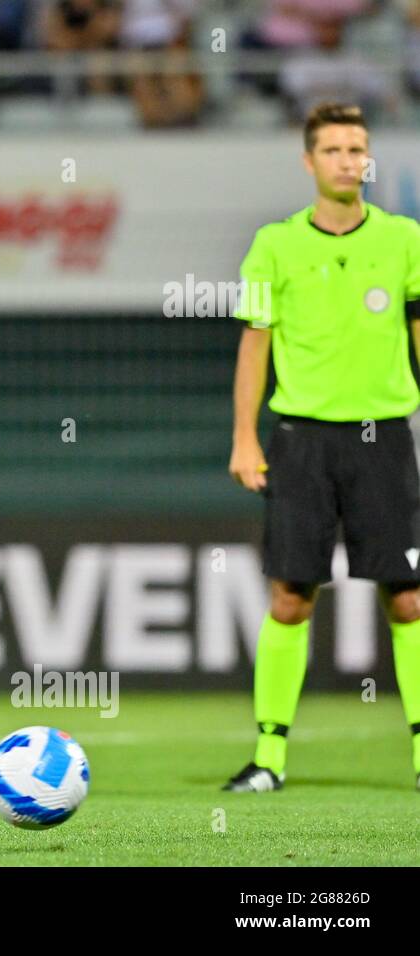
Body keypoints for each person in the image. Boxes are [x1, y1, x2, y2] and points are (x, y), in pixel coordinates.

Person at [224, 101, 420, 792]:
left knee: (409, 598)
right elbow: (255, 344)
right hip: (301, 439)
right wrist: (245, 438)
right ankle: (268, 760)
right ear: (309, 162)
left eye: (357, 148)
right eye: (334, 149)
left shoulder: (405, 240)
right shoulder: (275, 245)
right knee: (290, 600)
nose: (348, 160)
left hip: (385, 439)